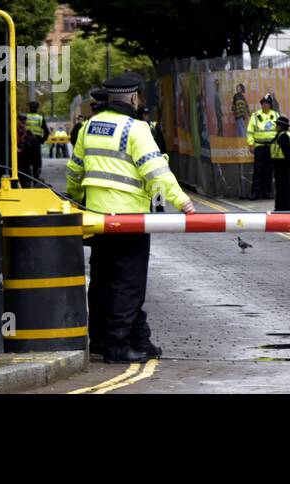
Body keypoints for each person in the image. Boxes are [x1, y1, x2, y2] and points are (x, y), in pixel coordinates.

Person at [67, 73, 196, 364]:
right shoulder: (136, 128)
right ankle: (117, 345)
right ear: (134, 99)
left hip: (98, 218)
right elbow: (156, 172)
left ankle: (116, 339)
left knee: (103, 279)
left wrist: (76, 198)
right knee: (129, 283)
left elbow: (74, 171)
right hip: (129, 219)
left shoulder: (88, 127)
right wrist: (182, 201)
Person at [247, 96, 280, 200]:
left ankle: (267, 192)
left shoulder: (275, 115)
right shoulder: (255, 115)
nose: (265, 105)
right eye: (263, 103)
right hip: (259, 146)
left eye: (267, 103)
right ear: (261, 104)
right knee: (258, 170)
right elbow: (250, 131)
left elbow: (279, 131)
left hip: (271, 146)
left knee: (269, 170)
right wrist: (251, 144)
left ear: (270, 104)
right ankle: (255, 193)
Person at [271, 115, 290, 211]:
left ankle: (281, 208)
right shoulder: (285, 134)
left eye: (277, 125)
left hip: (282, 165)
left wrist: (289, 163)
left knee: (281, 188)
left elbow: (287, 152)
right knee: (282, 187)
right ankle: (282, 207)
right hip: (282, 164)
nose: (276, 127)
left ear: (282, 126)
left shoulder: (283, 136)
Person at [16, 114, 43, 187]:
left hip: (26, 164)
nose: (23, 124)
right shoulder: (12, 133)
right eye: (21, 121)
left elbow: (37, 153)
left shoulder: (30, 136)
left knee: (26, 184)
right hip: (15, 164)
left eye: (24, 122)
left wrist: (38, 166)